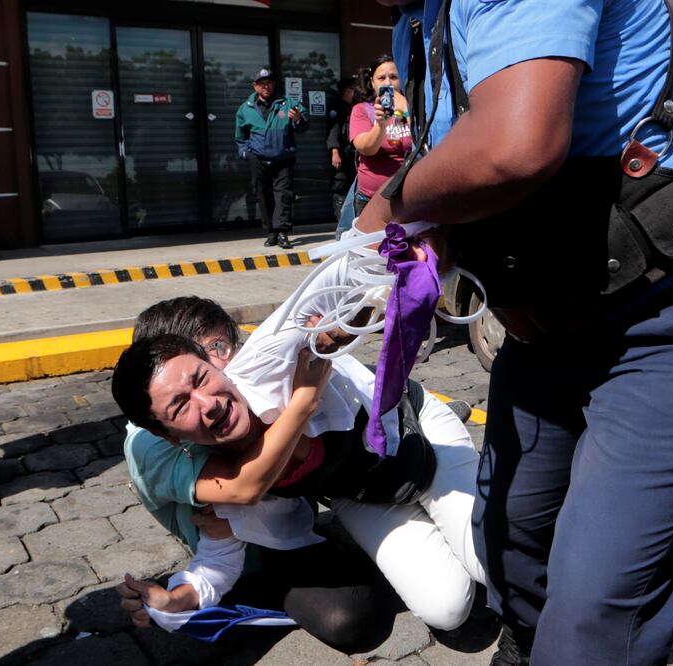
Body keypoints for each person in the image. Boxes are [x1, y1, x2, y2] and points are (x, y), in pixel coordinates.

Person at [354, 1, 673, 663]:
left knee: (594, 613)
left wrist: (378, 217)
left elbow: (512, 147)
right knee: (509, 543)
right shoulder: (415, 20)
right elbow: (455, 187)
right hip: (547, 332)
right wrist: (382, 278)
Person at [113, 277, 485, 631]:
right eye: (179, 403)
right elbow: (220, 550)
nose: (212, 394)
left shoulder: (285, 363)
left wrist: (335, 329)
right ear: (171, 433)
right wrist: (175, 599)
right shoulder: (223, 467)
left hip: (414, 432)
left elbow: (348, 287)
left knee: (488, 562)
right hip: (362, 494)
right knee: (447, 609)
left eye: (219, 350)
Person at [116, 297, 394, 652]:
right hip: (253, 557)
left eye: (225, 346)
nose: (228, 363)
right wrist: (305, 398)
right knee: (352, 620)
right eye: (210, 352)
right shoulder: (151, 447)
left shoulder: (233, 391)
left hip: (300, 512)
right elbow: (245, 490)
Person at [235, 68, 308, 250]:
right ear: (255, 86)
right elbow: (240, 135)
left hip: (283, 158)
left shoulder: (288, 103)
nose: (266, 86)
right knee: (263, 195)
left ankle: (283, 232)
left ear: (274, 85)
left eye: (269, 82)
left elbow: (303, 127)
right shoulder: (246, 108)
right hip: (258, 159)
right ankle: (271, 232)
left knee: (283, 195)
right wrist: (245, 152)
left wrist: (298, 119)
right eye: (262, 83)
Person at [349, 55, 412, 217]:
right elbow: (366, 149)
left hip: (409, 197)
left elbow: (428, 140)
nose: (388, 83)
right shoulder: (362, 110)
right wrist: (380, 124)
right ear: (372, 82)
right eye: (381, 78)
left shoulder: (412, 108)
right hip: (370, 199)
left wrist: (406, 109)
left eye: (393, 77)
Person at [327, 75, 358, 222]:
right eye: (350, 89)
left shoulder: (355, 107)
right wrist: (335, 151)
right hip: (341, 153)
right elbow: (333, 131)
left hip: (354, 154)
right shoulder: (336, 107)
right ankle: (341, 221)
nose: (353, 92)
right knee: (340, 185)